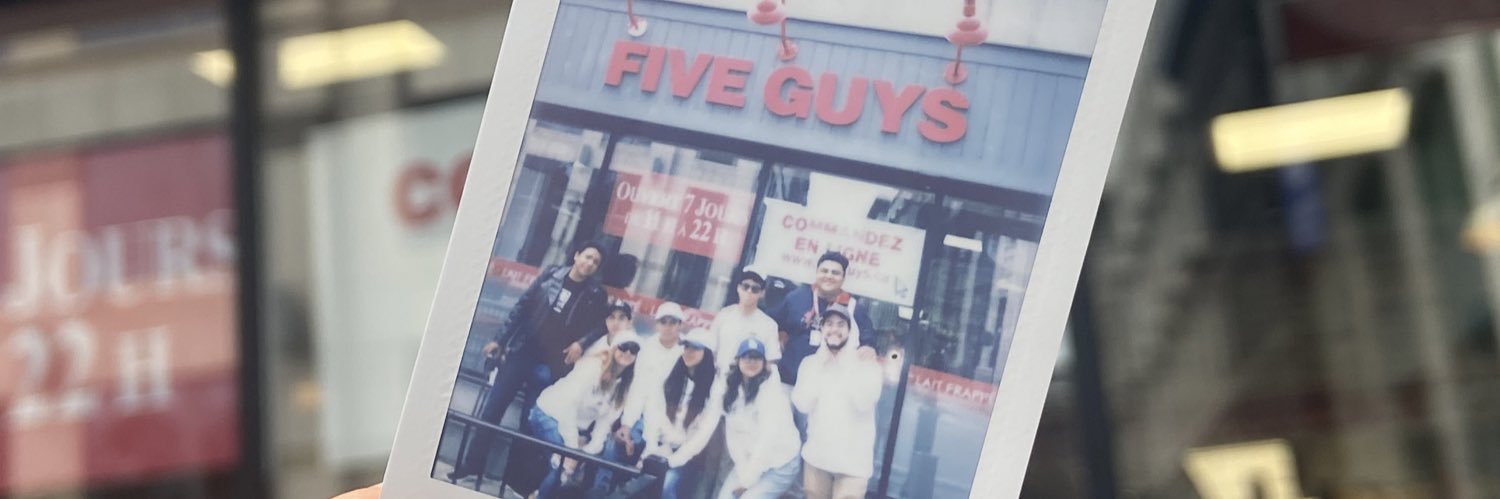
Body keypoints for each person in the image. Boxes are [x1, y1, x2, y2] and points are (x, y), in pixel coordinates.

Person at [449, 241, 613, 481]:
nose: (590, 264)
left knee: (530, 422)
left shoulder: (595, 294)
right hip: (521, 352)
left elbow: (602, 326)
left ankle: (512, 480)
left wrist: (581, 343)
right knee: (492, 410)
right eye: (587, 257)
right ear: (577, 255)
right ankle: (471, 466)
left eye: (595, 262)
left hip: (551, 363)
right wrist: (499, 340)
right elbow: (522, 307)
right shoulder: (550, 275)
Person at [792, 305, 883, 499]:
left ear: (851, 331)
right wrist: (820, 364)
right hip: (817, 459)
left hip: (853, 467)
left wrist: (846, 362)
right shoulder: (810, 363)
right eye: (829, 324)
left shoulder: (868, 366)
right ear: (822, 329)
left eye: (841, 324)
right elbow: (802, 404)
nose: (834, 329)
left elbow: (863, 402)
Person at [594, 301, 687, 490]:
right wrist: (627, 424)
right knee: (614, 447)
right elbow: (638, 389)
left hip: (670, 425)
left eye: (673, 322)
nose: (668, 327)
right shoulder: (647, 348)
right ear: (656, 324)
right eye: (663, 321)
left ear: (680, 325)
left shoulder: (687, 352)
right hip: (642, 417)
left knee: (656, 476)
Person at [532, 339, 641, 499]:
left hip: (575, 427)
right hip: (549, 414)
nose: (628, 353)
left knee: (568, 469)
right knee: (563, 466)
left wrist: (587, 451)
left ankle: (537, 494)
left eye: (634, 349)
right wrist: (572, 449)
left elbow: (605, 423)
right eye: (623, 347)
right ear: (614, 348)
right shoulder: (593, 367)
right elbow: (569, 408)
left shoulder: (625, 384)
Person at [768, 251, 877, 388]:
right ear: (817, 273)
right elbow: (771, 324)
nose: (829, 276)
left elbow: (868, 340)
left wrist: (868, 348)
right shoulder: (796, 298)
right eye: (824, 271)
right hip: (786, 381)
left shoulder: (853, 308)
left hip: (826, 389)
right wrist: (779, 336)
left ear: (843, 278)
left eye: (835, 273)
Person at [641, 327, 722, 499]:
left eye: (695, 348)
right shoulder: (672, 374)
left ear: (707, 353)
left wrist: (673, 460)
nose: (689, 352)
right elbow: (654, 412)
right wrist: (652, 448)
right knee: (640, 479)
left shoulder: (715, 388)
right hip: (660, 447)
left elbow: (702, 435)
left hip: (686, 456)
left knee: (667, 485)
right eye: (686, 346)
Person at [716, 338, 801, 499]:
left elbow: (766, 441)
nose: (751, 362)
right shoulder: (732, 390)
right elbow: (733, 438)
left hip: (780, 463)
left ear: (764, 362)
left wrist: (747, 481)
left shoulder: (772, 391)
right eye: (746, 357)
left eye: (756, 358)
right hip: (751, 461)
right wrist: (743, 472)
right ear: (738, 360)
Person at [713, 268, 781, 375]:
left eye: (755, 289)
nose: (749, 291)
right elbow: (711, 349)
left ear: (762, 293)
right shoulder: (724, 315)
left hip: (747, 382)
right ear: (738, 288)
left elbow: (770, 360)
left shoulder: (769, 325)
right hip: (718, 379)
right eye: (745, 286)